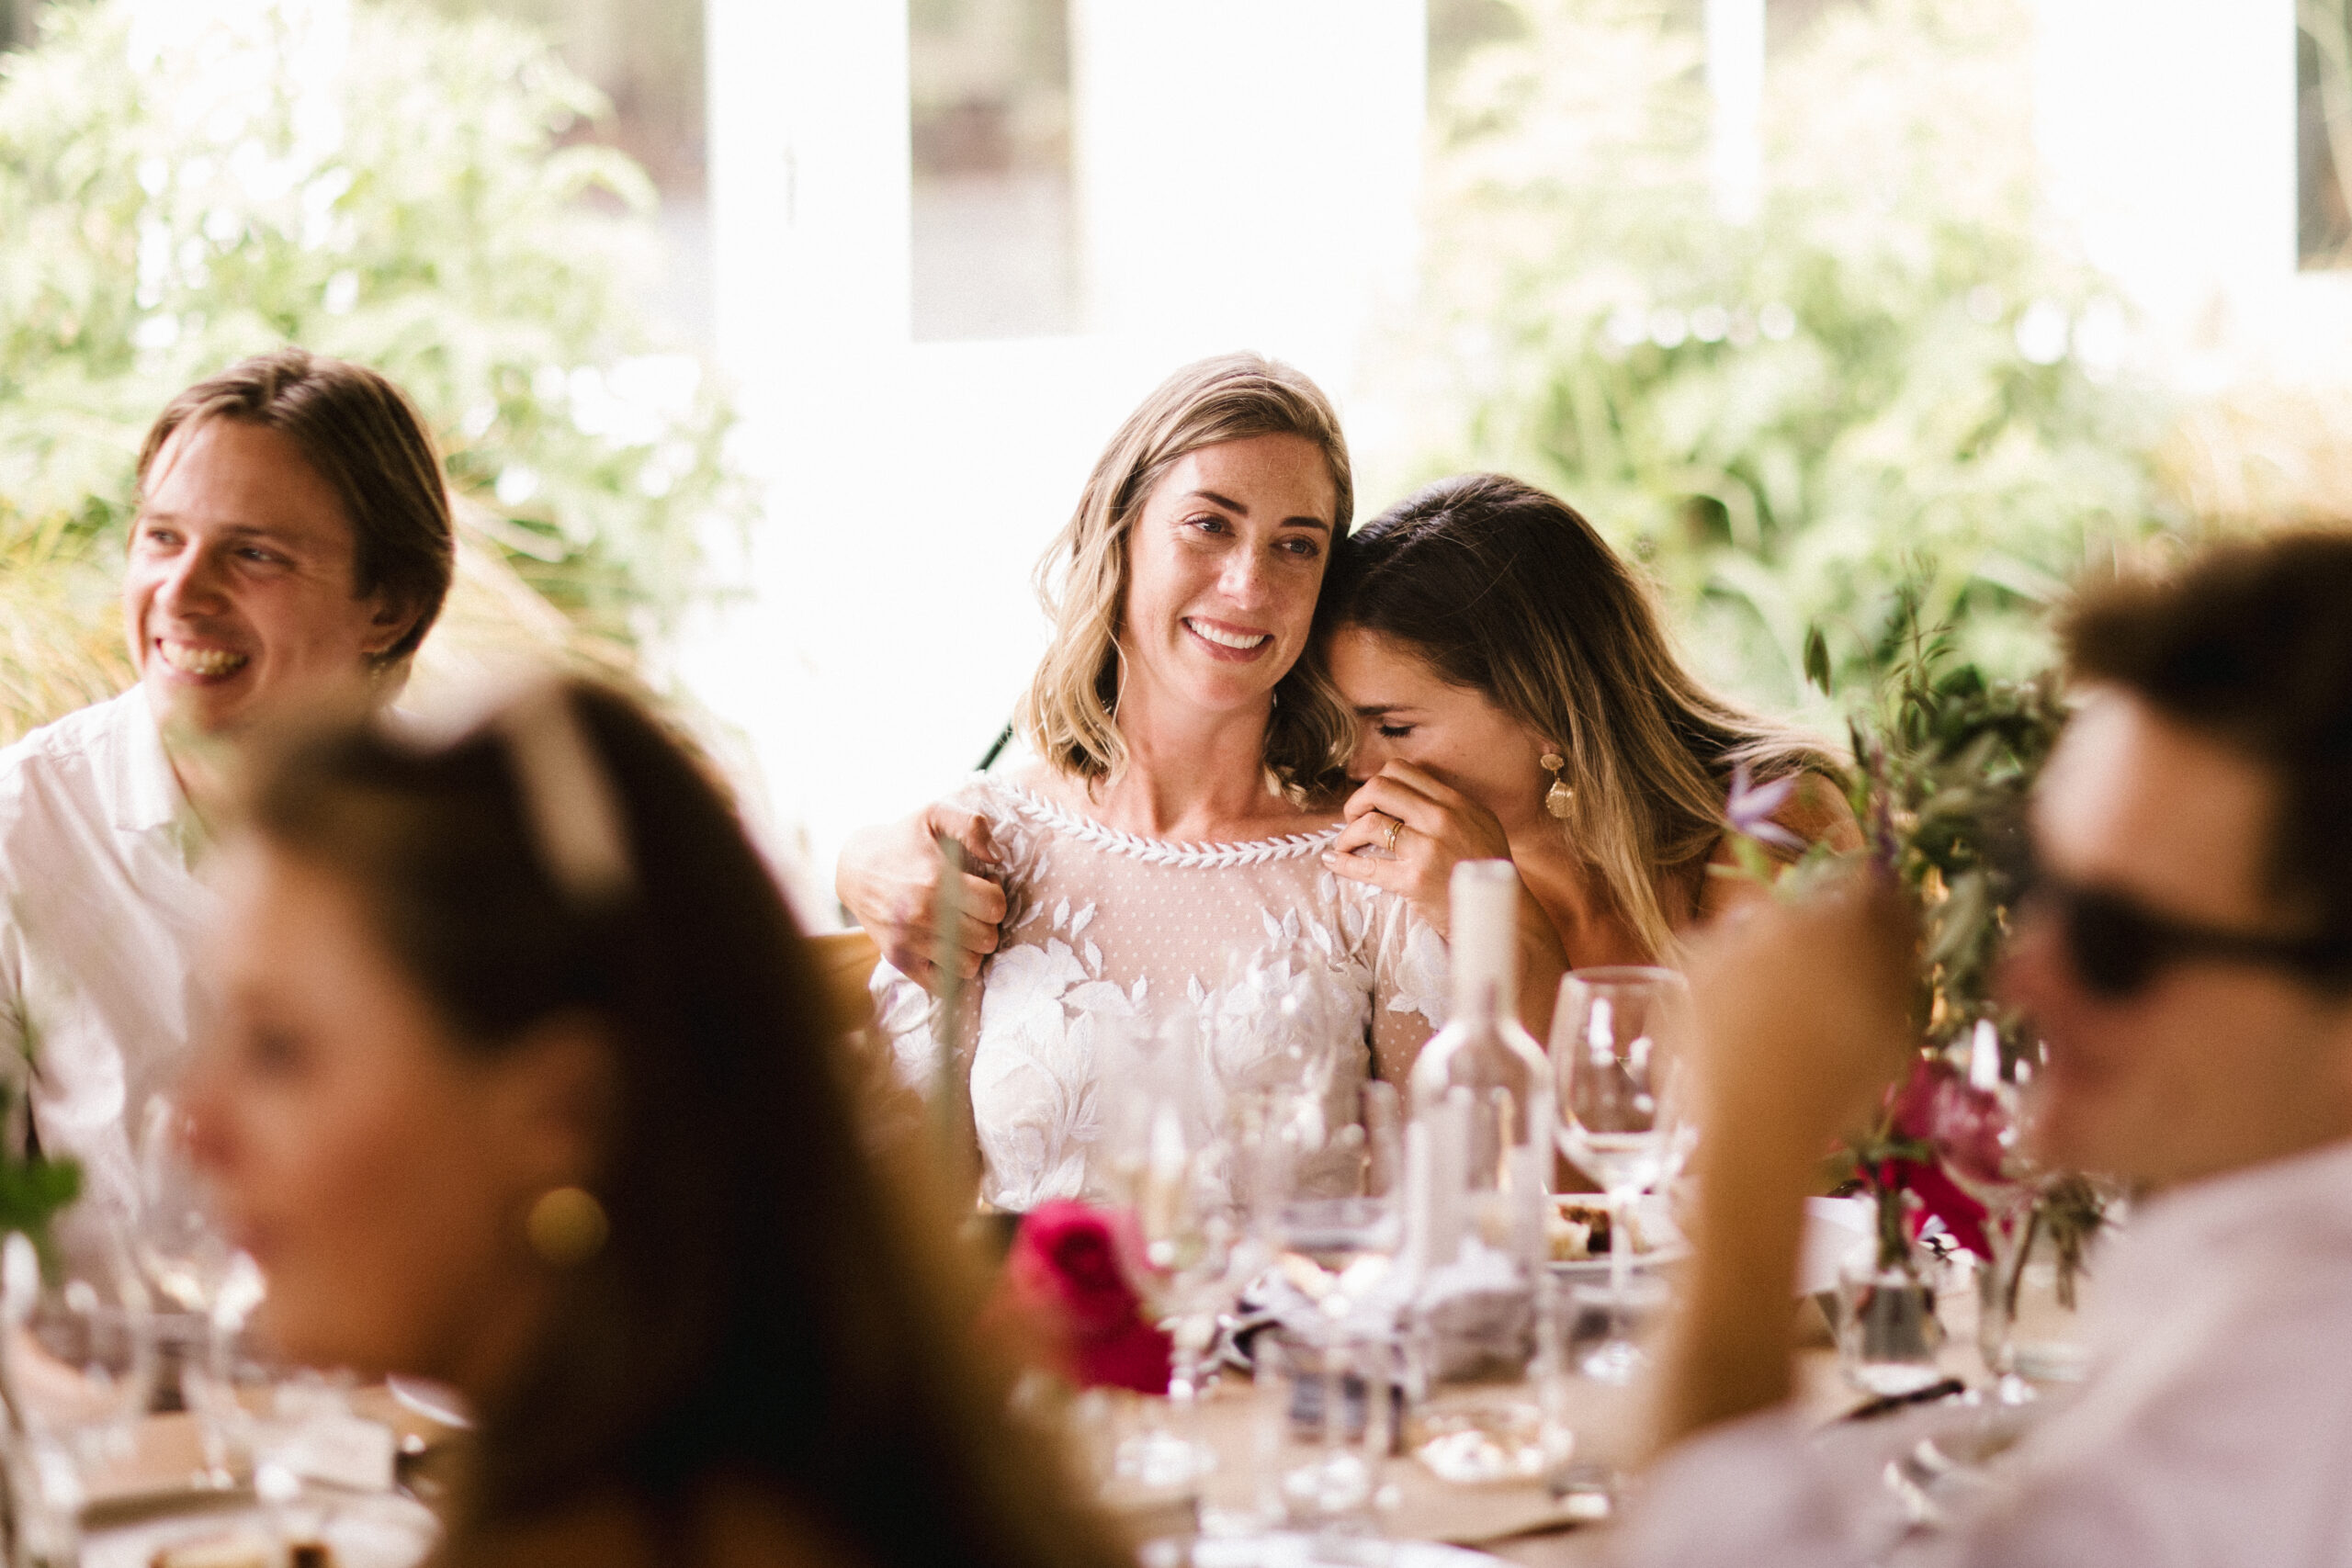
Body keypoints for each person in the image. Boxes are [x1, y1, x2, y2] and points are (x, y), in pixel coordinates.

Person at [185, 678, 1136, 1568]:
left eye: (279, 1049)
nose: (200, 1127)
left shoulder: (615, 1537)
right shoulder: (815, 1462)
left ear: (561, 1113)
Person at [1622, 530, 2352, 1567]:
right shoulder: (2247, 1259)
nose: (2019, 974)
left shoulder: (2299, 1368)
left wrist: (1756, 1147)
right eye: (2029, 878)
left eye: (2114, 942)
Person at [845, 354, 1447, 1213]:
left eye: (1296, 545)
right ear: (1120, 530)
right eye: (1209, 525)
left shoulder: (1370, 866)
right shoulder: (979, 847)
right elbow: (903, 1221)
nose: (1248, 584)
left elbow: (1435, 1212)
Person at [0, 347, 454, 1231]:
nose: (181, 592)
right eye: (163, 537)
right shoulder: (20, 828)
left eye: (254, 553)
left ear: (389, 606)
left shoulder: (477, 843)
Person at [1318, 472, 1856, 971]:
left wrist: (1506, 930)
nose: (1355, 769)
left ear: (1546, 711)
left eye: (1394, 729)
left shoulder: (1775, 823)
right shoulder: (1389, 889)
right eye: (1339, 727)